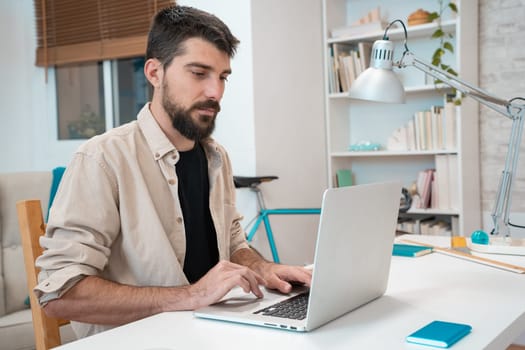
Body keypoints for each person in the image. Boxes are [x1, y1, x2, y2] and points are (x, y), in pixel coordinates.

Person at [35, 5, 312, 338]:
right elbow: (59, 295)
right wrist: (191, 296)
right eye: (199, 73)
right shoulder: (102, 158)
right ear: (155, 73)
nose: (216, 92)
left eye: (222, 77)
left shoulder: (216, 157)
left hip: (211, 332)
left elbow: (233, 243)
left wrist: (266, 269)